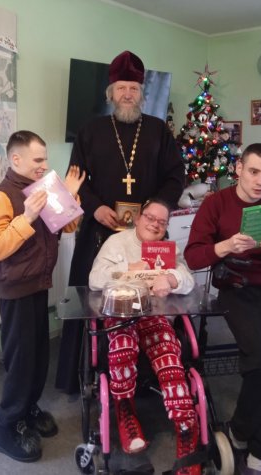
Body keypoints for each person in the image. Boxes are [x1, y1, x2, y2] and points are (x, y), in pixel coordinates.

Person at [55, 50, 185, 395]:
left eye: (134, 88)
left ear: (142, 93)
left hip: (149, 231)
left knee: (154, 296)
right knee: (92, 297)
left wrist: (154, 209)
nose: (128, 94)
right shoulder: (90, 131)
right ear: (110, 93)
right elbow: (75, 179)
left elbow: (176, 177)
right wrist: (95, 208)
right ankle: (84, 374)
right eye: (122, 88)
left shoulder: (158, 131)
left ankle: (150, 373)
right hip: (99, 231)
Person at [184, 143, 261, 475]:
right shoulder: (216, 203)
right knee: (260, 364)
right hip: (234, 288)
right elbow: (193, 256)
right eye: (254, 172)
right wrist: (225, 246)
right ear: (239, 169)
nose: (260, 181)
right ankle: (241, 430)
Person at [0, 130, 85, 463]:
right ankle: (6, 427)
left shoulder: (43, 188)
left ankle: (27, 409)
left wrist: (69, 196)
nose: (44, 165)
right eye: (38, 160)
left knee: (39, 357)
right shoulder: (2, 197)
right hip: (16, 292)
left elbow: (68, 227)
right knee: (21, 362)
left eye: (45, 159)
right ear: (16, 159)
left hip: (39, 285)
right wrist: (26, 217)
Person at [89, 198, 200, 475]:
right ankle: (125, 411)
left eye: (162, 222)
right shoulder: (116, 243)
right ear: (138, 218)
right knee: (123, 345)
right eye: (150, 217)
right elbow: (94, 279)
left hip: (154, 315)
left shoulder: (168, 249)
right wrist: (128, 270)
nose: (155, 224)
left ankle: (186, 430)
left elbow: (188, 280)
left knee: (169, 356)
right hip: (122, 313)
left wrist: (171, 279)